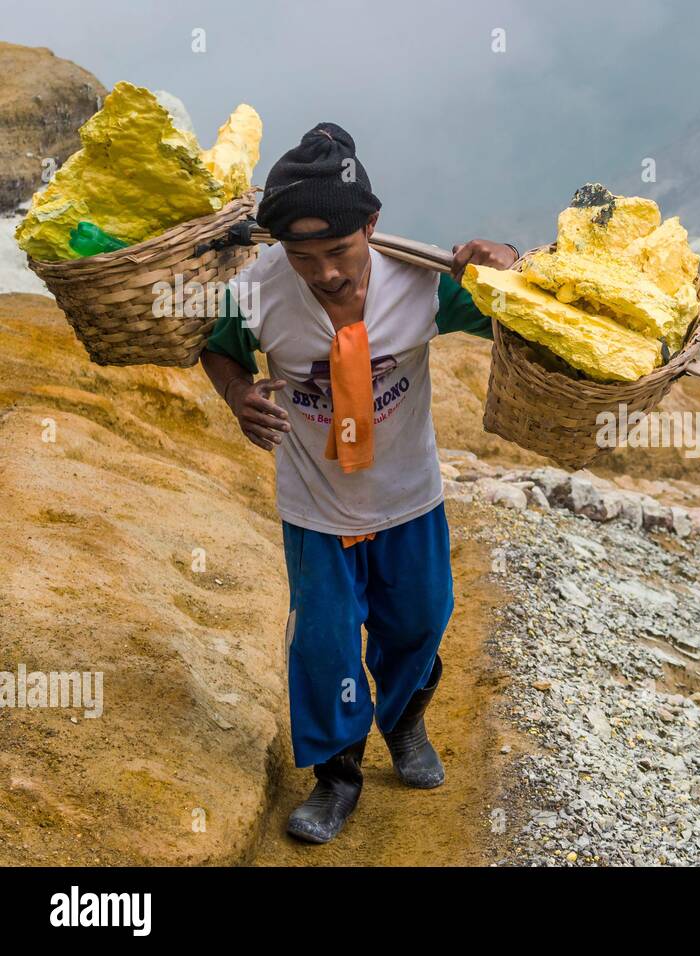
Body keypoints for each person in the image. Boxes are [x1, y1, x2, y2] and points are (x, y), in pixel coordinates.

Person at [199, 123, 518, 844]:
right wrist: (237, 394)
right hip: (315, 506)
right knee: (324, 643)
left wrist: (512, 265)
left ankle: (405, 723)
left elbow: (524, 317)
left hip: (410, 497)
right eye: (302, 256)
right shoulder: (255, 293)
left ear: (372, 225)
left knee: (419, 621)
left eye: (339, 251)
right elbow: (218, 352)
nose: (325, 273)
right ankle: (336, 775)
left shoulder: (424, 281)